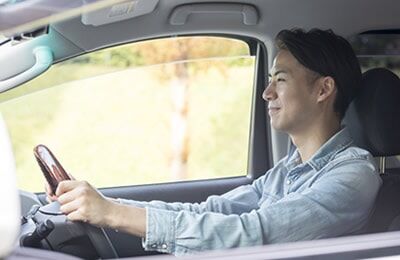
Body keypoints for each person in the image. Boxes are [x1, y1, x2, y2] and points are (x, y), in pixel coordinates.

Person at [46, 28, 382, 256]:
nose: (267, 93)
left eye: (280, 80)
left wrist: (114, 214)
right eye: (269, 81)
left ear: (323, 90)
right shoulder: (291, 168)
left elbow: (253, 235)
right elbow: (212, 211)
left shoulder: (353, 177)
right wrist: (103, 204)